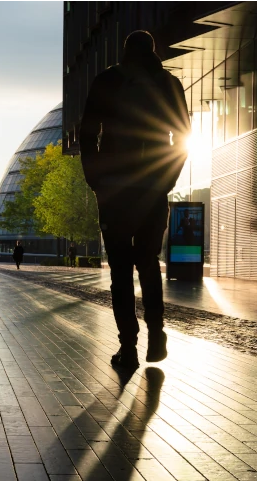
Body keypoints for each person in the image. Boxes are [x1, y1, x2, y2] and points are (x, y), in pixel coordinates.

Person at [80, 30, 190, 370]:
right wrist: (166, 181)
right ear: (153, 52)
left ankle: (128, 346)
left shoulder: (107, 80)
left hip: (114, 190)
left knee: (121, 270)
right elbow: (182, 135)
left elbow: (88, 133)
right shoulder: (169, 83)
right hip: (152, 189)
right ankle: (156, 331)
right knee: (148, 260)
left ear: (124, 52)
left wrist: (97, 179)